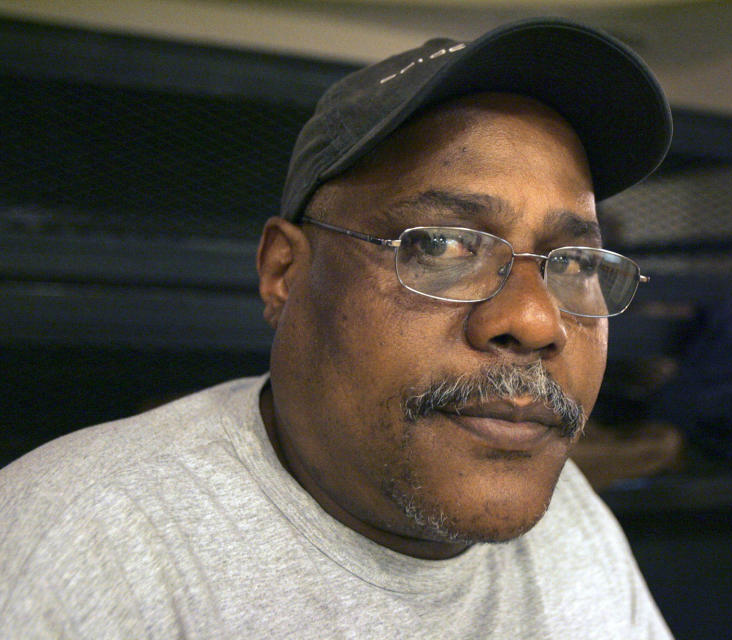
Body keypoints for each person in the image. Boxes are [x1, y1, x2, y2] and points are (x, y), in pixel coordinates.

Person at [0, 17, 673, 639]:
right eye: (442, 246)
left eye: (576, 262)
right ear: (284, 273)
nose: (535, 320)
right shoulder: (72, 547)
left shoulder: (573, 521)